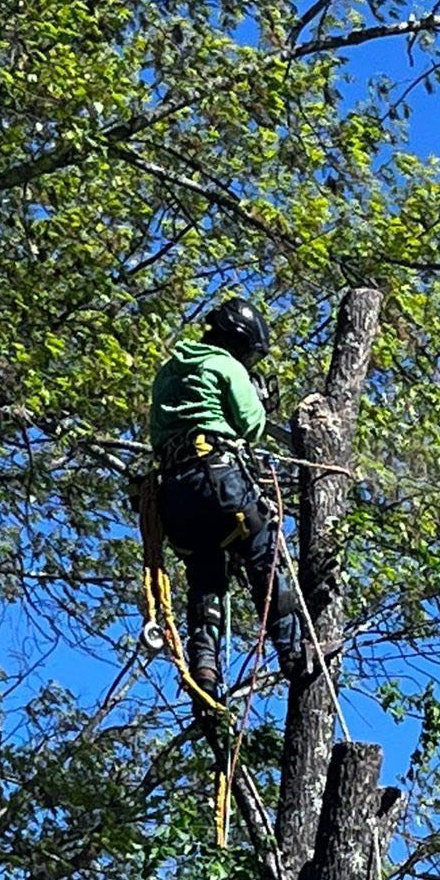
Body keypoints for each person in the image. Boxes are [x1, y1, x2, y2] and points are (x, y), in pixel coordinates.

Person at [147, 295, 304, 699]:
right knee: (262, 551)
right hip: (217, 477)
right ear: (240, 341)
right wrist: (260, 402)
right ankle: (294, 653)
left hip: (174, 494)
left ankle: (205, 672)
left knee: (205, 579)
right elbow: (251, 425)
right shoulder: (226, 365)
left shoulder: (167, 373)